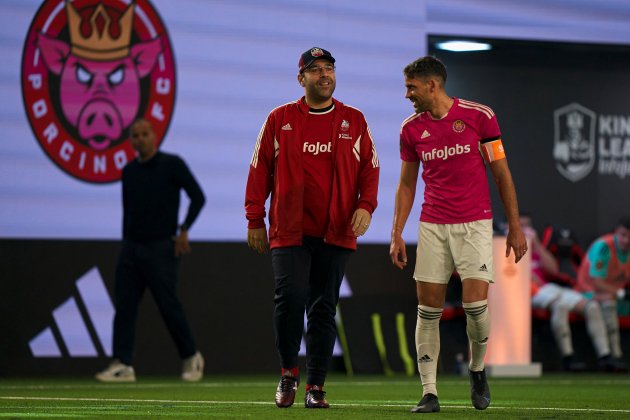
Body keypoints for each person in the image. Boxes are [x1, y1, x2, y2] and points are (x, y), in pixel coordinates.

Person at [389, 56, 528, 413]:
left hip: (474, 224)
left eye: (411, 87)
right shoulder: (410, 129)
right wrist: (396, 233)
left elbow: (501, 173)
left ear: (431, 85)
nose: (408, 95)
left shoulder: (480, 117)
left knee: (475, 307)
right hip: (432, 225)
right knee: (427, 310)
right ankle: (429, 392)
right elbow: (406, 185)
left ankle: (478, 370)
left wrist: (514, 226)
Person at [245, 47, 379, 409]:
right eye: (316, 69)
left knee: (323, 309)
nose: (324, 75)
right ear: (301, 78)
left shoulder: (355, 120)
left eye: (329, 68)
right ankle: (289, 372)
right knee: (290, 300)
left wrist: (366, 206)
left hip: (335, 231)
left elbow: (370, 168)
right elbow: (259, 170)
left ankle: (316, 387)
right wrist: (254, 218)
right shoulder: (280, 118)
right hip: (290, 232)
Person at [96, 118, 206, 382]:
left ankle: (192, 357)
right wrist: (126, 243)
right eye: (135, 135)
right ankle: (123, 363)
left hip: (161, 247)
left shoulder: (172, 164)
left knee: (168, 305)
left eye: (144, 134)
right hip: (131, 247)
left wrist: (184, 229)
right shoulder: (129, 171)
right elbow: (128, 212)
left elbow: (198, 197)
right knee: (124, 306)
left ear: (154, 137)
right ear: (131, 141)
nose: (140, 139)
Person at [521, 214, 617, 372]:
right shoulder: (503, 245)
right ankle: (568, 358)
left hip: (548, 288)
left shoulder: (536, 247)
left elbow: (553, 269)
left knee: (591, 306)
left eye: (527, 226)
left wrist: (536, 243)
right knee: (560, 305)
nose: (524, 230)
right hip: (527, 293)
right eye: (520, 225)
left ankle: (605, 356)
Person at [576, 217, 630, 371]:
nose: (626, 240)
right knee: (608, 303)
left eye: (629, 237)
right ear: (616, 233)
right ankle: (610, 356)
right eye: (623, 235)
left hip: (612, 294)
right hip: (587, 293)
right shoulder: (604, 247)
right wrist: (621, 293)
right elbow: (597, 283)